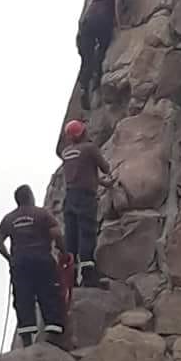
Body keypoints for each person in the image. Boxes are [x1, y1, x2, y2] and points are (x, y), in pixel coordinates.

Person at [0, 186, 67, 348]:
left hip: (20, 263)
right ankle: (53, 330)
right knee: (48, 291)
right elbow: (56, 233)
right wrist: (63, 252)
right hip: (41, 259)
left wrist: (9, 258)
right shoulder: (42, 214)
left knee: (23, 297)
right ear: (30, 197)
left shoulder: (9, 218)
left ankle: (26, 335)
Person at [60, 120, 115, 288]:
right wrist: (109, 178)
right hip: (85, 197)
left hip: (70, 197)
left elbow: (81, 172)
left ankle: (70, 277)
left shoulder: (66, 152)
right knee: (87, 233)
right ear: (83, 133)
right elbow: (105, 167)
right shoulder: (89, 149)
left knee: (71, 237)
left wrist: (101, 183)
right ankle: (88, 275)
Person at [77, 0, 126, 109]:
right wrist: (121, 23)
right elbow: (117, 6)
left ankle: (84, 86)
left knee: (87, 59)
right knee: (102, 49)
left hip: (87, 23)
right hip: (102, 22)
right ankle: (96, 79)